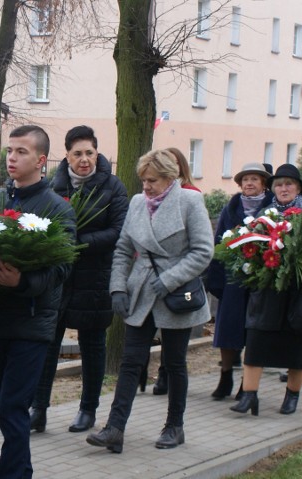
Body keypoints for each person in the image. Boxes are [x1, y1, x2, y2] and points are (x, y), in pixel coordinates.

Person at [86, 149, 213, 452]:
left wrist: (170, 278)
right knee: (130, 363)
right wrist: (117, 288)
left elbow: (203, 251)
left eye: (152, 181)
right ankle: (114, 429)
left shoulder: (190, 201)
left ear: (171, 177)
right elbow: (122, 249)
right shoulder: (137, 203)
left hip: (175, 293)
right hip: (141, 291)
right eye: (143, 180)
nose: (146, 187)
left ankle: (174, 426)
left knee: (174, 363)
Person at [0, 125, 76, 478]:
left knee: (13, 406)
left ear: (40, 161)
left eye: (21, 152)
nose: (12, 158)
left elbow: (62, 268)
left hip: (32, 324)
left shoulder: (57, 209)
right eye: (9, 151)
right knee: (9, 407)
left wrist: (20, 281)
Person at [30, 126, 128, 434]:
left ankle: (88, 410)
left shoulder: (113, 186)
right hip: (59, 278)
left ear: (97, 154)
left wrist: (79, 241)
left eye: (89, 153)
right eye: (77, 154)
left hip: (95, 276)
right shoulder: (53, 187)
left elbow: (118, 231)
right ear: (67, 156)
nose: (84, 160)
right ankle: (39, 408)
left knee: (93, 346)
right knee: (48, 345)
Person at [230, 164, 302, 417]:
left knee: (297, 345)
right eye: (279, 184)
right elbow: (251, 244)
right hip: (268, 291)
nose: (283, 188)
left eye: (288, 184)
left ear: (298, 188)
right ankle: (249, 395)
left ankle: (292, 396)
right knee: (257, 339)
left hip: (298, 292)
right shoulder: (264, 214)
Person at [206, 163, 272, 400]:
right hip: (233, 280)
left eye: (254, 179)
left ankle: (247, 383)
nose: (249, 183)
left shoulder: (271, 209)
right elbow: (218, 242)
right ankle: (225, 376)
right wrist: (216, 278)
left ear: (264, 183)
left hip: (260, 281)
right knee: (228, 330)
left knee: (253, 332)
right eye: (245, 180)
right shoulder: (230, 209)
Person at [143, 147, 201, 396]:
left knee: (174, 344)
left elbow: (199, 248)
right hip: (148, 280)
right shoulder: (146, 198)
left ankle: (166, 375)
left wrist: (171, 276)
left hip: (176, 281)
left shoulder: (190, 196)